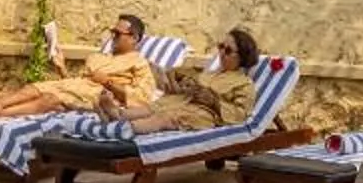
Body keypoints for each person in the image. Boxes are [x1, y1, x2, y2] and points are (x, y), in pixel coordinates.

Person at [0, 13, 159, 119]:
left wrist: (108, 83)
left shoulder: (139, 63)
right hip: (77, 89)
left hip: (97, 97)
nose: (113, 37)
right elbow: (75, 83)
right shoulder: (100, 57)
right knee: (35, 87)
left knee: (51, 99)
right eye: (112, 33)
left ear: (134, 38)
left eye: (118, 34)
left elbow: (142, 98)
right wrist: (61, 67)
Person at [109, 29, 261, 135]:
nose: (221, 53)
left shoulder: (244, 84)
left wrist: (215, 102)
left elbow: (241, 114)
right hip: (184, 101)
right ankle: (119, 115)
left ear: (242, 57)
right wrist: (182, 83)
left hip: (204, 113)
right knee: (158, 105)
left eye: (228, 51)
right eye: (221, 47)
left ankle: (127, 130)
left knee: (168, 116)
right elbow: (185, 80)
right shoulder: (210, 73)